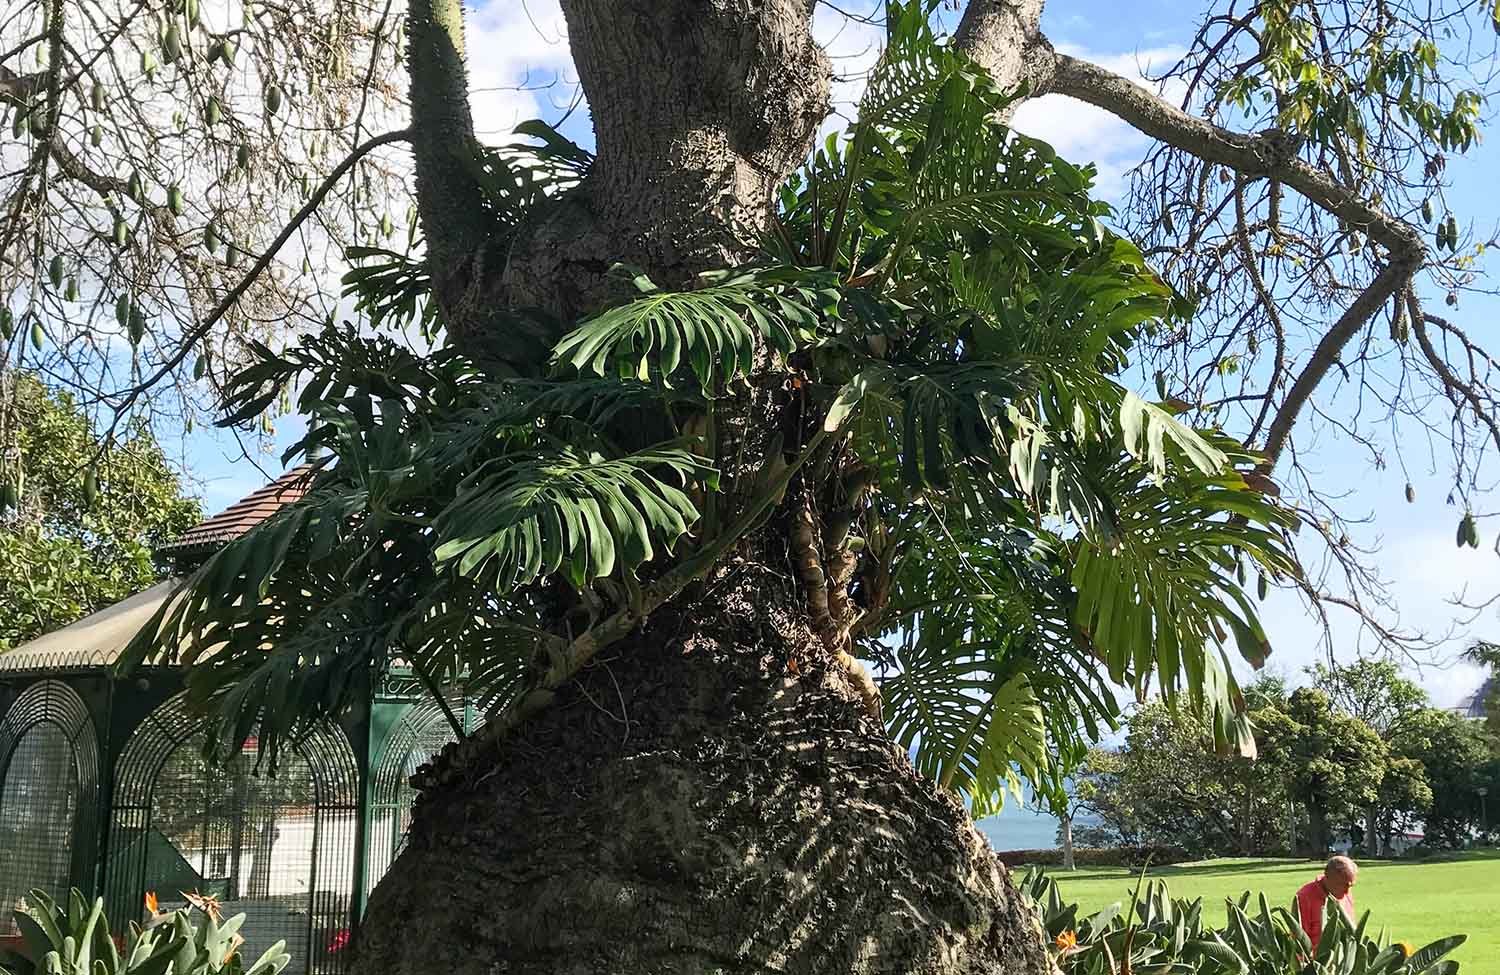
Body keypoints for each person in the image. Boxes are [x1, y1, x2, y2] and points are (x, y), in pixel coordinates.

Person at [1295, 855, 1358, 950]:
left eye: (1350, 886)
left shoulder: (1345, 893)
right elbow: (1298, 938)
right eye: (1344, 885)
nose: (1347, 892)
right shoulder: (1305, 896)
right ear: (1328, 877)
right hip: (1317, 960)